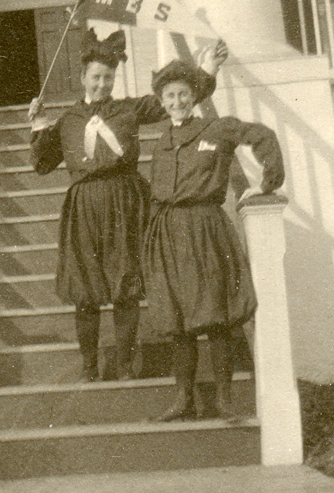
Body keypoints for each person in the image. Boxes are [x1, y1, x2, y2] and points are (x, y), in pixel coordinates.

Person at [27, 29, 223, 383]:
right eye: (96, 77)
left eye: (108, 77)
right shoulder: (68, 120)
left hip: (125, 203)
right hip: (84, 207)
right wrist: (40, 124)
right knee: (85, 292)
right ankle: (89, 366)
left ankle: (126, 364)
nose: (102, 84)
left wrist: (207, 69)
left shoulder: (130, 109)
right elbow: (42, 164)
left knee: (125, 288)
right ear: (83, 77)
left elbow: (178, 97)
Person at [142, 53, 284, 422]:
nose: (177, 102)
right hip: (168, 235)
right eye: (170, 96)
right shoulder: (161, 141)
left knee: (216, 317)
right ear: (162, 102)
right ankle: (182, 399)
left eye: (183, 94)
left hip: (206, 230)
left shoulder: (215, 129)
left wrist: (266, 184)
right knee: (178, 321)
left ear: (195, 95)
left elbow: (261, 135)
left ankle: (224, 399)